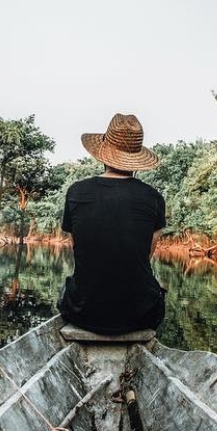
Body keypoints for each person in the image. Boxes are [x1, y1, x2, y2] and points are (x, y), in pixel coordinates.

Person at [57, 112, 167, 334]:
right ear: (136, 159)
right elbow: (145, 255)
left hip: (82, 311)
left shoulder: (76, 192)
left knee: (67, 287)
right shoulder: (153, 197)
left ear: (102, 155)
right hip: (140, 314)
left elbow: (78, 248)